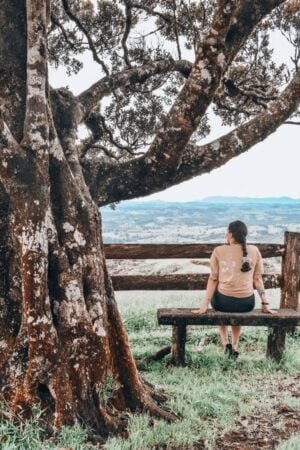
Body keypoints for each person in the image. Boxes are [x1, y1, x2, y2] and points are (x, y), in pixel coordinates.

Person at [192, 220, 276, 358]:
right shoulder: (254, 250)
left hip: (222, 303)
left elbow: (213, 279)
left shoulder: (219, 251)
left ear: (230, 234)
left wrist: (204, 305)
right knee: (238, 308)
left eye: (227, 232)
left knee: (221, 302)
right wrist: (265, 303)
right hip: (246, 303)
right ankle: (235, 346)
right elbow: (257, 279)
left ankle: (225, 343)